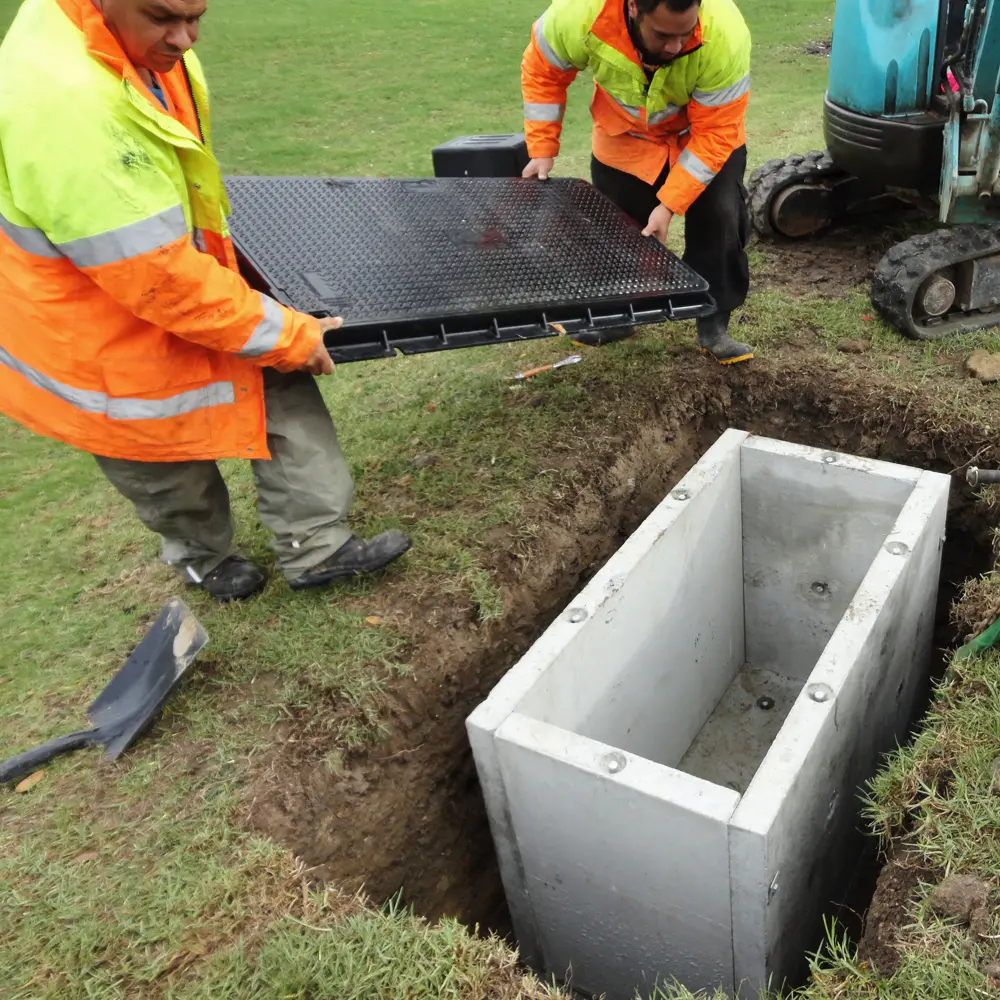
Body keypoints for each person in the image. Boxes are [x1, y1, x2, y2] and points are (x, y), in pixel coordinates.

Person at [0, 0, 411, 602]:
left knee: (277, 390)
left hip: (186, 279)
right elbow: (155, 275)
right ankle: (204, 558)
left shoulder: (143, 50)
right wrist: (285, 333)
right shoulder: (63, 105)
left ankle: (317, 547)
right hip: (96, 329)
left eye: (197, 17)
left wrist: (251, 314)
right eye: (163, 17)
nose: (185, 38)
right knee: (158, 459)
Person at [521, 0, 754, 363]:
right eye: (662, 34)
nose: (675, 46)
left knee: (720, 217)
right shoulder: (580, 13)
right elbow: (543, 70)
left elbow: (716, 132)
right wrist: (541, 149)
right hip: (625, 133)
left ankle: (713, 324)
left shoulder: (725, 34)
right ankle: (620, 316)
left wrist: (669, 205)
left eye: (684, 33)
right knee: (616, 228)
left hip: (703, 136)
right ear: (632, 8)